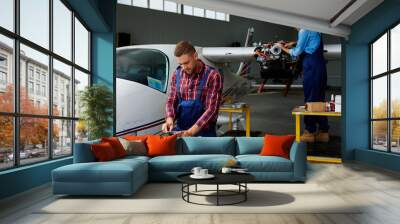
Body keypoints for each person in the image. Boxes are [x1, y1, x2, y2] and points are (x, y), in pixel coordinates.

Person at [162, 41, 223, 137]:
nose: (184, 67)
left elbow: (211, 110)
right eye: (181, 64)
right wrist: (169, 119)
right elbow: (171, 100)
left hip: (204, 135)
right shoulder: (177, 74)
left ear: (195, 56)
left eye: (186, 63)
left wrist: (190, 132)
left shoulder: (213, 75)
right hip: (180, 131)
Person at [279, 29, 329, 142]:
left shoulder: (304, 30)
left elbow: (296, 53)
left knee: (310, 98)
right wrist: (294, 43)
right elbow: (311, 42)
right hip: (320, 65)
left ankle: (309, 131)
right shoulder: (315, 29)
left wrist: (281, 48)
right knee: (320, 99)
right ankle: (323, 131)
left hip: (311, 65)